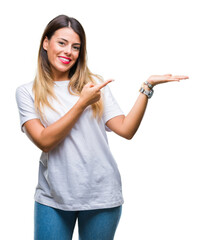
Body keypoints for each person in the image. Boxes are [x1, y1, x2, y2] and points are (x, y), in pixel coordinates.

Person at [15, 14, 188, 240]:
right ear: (46, 43)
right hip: (53, 198)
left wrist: (147, 87)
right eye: (62, 43)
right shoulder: (27, 92)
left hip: (101, 194)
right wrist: (82, 103)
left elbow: (126, 130)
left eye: (76, 47)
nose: (69, 51)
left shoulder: (95, 86)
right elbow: (44, 141)